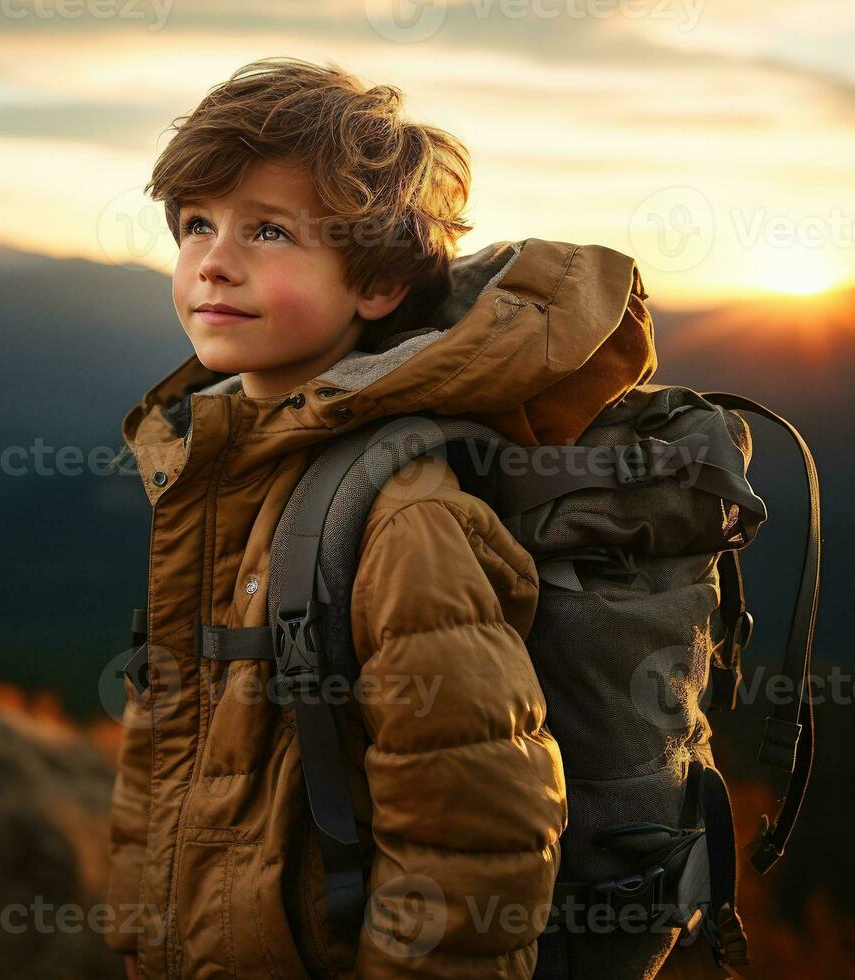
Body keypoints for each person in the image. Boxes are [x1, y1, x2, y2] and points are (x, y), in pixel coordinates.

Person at [104, 56, 666, 979]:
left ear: (376, 285)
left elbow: (474, 845)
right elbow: (168, 760)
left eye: (269, 231)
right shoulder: (226, 468)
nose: (213, 258)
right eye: (197, 224)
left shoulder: (404, 518)